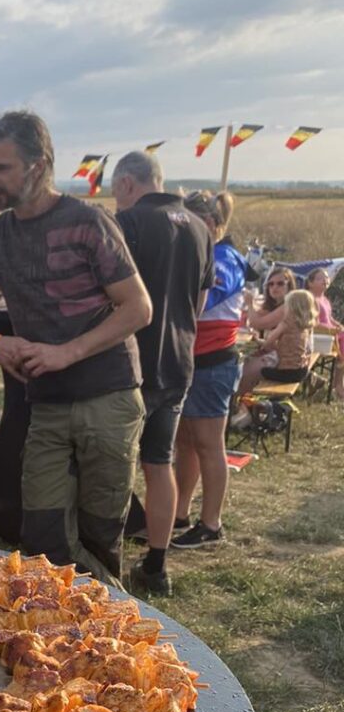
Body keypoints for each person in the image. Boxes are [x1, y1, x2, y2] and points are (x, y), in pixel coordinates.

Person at [0, 110, 151, 587]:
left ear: (39, 165)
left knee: (100, 534)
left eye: (1, 168)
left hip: (108, 397)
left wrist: (66, 352)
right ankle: (106, 609)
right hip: (47, 407)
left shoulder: (88, 222)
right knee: (43, 536)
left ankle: (105, 634)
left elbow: (138, 308)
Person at [111, 150, 214, 596]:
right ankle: (156, 564)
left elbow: (112, 297)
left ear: (129, 184)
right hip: (179, 361)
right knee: (159, 462)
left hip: (130, 363)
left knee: (113, 465)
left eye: (117, 191)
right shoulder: (200, 227)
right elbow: (201, 304)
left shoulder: (129, 223)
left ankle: (105, 558)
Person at [171, 191, 246, 549]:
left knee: (209, 444)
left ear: (211, 225)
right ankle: (180, 512)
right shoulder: (205, 253)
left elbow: (205, 297)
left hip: (214, 362)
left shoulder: (226, 257)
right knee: (184, 441)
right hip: (192, 360)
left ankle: (211, 523)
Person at [304, 266, 344, 399]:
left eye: (326, 278)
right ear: (310, 283)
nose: (325, 280)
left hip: (330, 334)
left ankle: (338, 382)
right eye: (320, 278)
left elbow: (329, 318)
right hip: (318, 336)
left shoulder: (324, 299)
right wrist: (331, 330)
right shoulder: (310, 299)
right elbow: (312, 322)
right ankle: (338, 384)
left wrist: (337, 325)